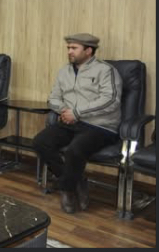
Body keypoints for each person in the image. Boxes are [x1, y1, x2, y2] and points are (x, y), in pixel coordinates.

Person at [33, 33, 122, 215]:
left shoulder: (106, 70)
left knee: (75, 150)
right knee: (40, 142)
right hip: (70, 122)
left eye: (74, 48)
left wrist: (77, 112)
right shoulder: (64, 71)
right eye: (68, 48)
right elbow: (53, 98)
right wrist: (65, 111)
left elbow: (111, 100)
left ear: (88, 51)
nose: (69, 51)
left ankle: (67, 190)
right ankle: (76, 181)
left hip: (100, 126)